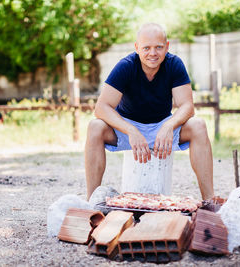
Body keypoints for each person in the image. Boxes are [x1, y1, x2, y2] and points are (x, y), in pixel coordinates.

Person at [85, 23, 214, 201]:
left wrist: (169, 125)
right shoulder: (126, 66)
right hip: (127, 128)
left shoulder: (174, 64)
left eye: (158, 47)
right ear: (137, 47)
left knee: (198, 125)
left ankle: (209, 201)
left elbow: (187, 106)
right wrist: (131, 130)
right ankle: (92, 202)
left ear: (167, 46)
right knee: (95, 127)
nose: (152, 53)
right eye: (146, 48)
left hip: (162, 125)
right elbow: (101, 107)